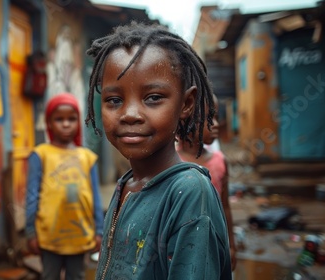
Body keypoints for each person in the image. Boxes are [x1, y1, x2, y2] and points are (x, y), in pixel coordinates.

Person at [85, 22, 232, 279]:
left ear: (186, 103)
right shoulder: (127, 185)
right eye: (114, 100)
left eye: (153, 97)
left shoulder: (189, 193)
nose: (130, 114)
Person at [25, 93, 104, 280]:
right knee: (49, 276)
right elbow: (32, 195)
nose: (66, 124)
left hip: (79, 234)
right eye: (59, 119)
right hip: (49, 235)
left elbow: (95, 197)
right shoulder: (41, 154)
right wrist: (30, 232)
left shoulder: (87, 157)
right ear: (49, 123)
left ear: (78, 122)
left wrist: (99, 231)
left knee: (76, 276)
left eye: (71, 119)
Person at [177, 94, 237, 271]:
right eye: (210, 119)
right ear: (187, 120)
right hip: (180, 248)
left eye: (217, 118)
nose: (217, 125)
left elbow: (225, 206)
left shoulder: (219, 161)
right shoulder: (172, 164)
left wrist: (231, 245)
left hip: (214, 244)